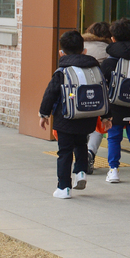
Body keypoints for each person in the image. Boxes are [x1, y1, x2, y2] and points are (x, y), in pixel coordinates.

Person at [38, 30, 112, 199]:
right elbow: (103, 93)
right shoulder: (95, 70)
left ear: (61, 53)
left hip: (66, 118)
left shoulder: (61, 72)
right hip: (88, 118)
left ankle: (64, 188)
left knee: (64, 152)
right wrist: (106, 117)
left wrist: (44, 114)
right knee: (81, 144)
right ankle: (80, 171)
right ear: (84, 50)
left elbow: (50, 93)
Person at [100, 18, 130, 183]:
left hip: (115, 106)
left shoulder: (110, 62)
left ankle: (113, 170)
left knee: (113, 138)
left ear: (113, 39)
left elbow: (102, 83)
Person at [82, 22, 112, 174]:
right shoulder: (108, 50)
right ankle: (90, 152)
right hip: (97, 92)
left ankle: (80, 155)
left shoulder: (80, 45)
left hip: (78, 91)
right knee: (98, 125)